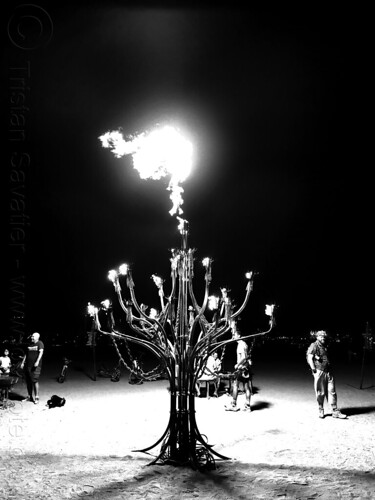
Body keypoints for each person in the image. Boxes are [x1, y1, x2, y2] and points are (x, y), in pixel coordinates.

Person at [306, 330, 347, 419]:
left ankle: (335, 411)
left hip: (328, 371)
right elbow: (309, 357)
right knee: (320, 392)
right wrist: (313, 369)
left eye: (324, 336)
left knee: (332, 391)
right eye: (321, 336)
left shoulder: (325, 345)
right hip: (319, 371)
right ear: (317, 337)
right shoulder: (314, 345)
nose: (323, 338)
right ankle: (321, 409)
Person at [225, 329, 253, 412]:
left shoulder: (240, 345)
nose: (233, 337)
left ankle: (233, 404)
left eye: (235, 335)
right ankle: (248, 406)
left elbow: (244, 358)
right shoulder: (245, 344)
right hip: (247, 368)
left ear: (239, 336)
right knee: (247, 387)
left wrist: (238, 365)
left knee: (235, 385)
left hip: (241, 368)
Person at [20, 332, 44, 404]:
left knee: (35, 380)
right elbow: (26, 354)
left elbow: (41, 353)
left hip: (36, 366)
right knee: (28, 381)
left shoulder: (40, 343)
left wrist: (37, 361)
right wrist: (23, 362)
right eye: (32, 336)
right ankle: (30, 396)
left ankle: (37, 397)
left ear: (37, 337)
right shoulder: (29, 344)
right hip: (28, 365)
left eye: (33, 337)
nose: (31, 338)